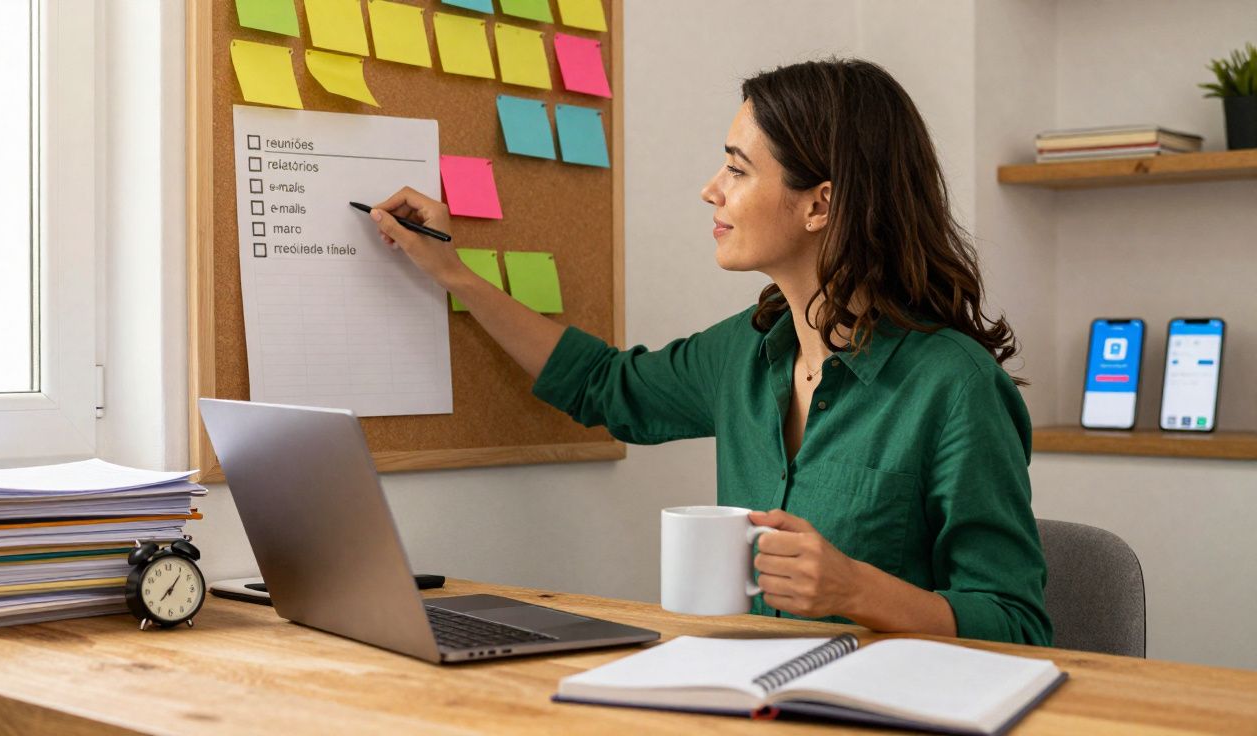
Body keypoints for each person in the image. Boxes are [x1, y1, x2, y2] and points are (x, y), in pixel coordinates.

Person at [366, 57, 1052, 646]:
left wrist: (856, 588)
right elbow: (605, 385)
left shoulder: (956, 387)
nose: (711, 190)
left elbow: (1018, 626)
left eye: (738, 169)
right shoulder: (747, 353)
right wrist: (454, 275)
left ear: (820, 204)